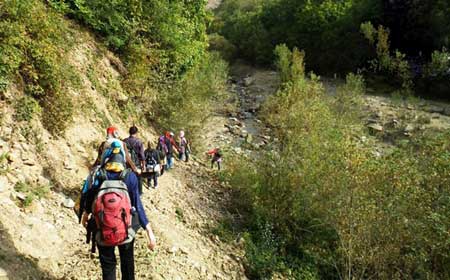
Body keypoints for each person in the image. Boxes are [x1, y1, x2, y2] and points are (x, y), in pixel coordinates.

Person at [81, 142, 156, 280]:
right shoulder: (130, 176)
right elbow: (137, 205)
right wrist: (149, 231)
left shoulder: (98, 174)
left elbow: (90, 200)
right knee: (127, 263)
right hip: (126, 230)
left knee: (108, 266)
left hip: (102, 228)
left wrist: (85, 215)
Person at [124, 126, 146, 195]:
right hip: (136, 163)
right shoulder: (139, 142)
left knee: (126, 177)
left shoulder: (124, 141)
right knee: (139, 178)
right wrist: (143, 165)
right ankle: (139, 193)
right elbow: (142, 155)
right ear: (136, 133)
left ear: (129, 132)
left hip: (126, 163)